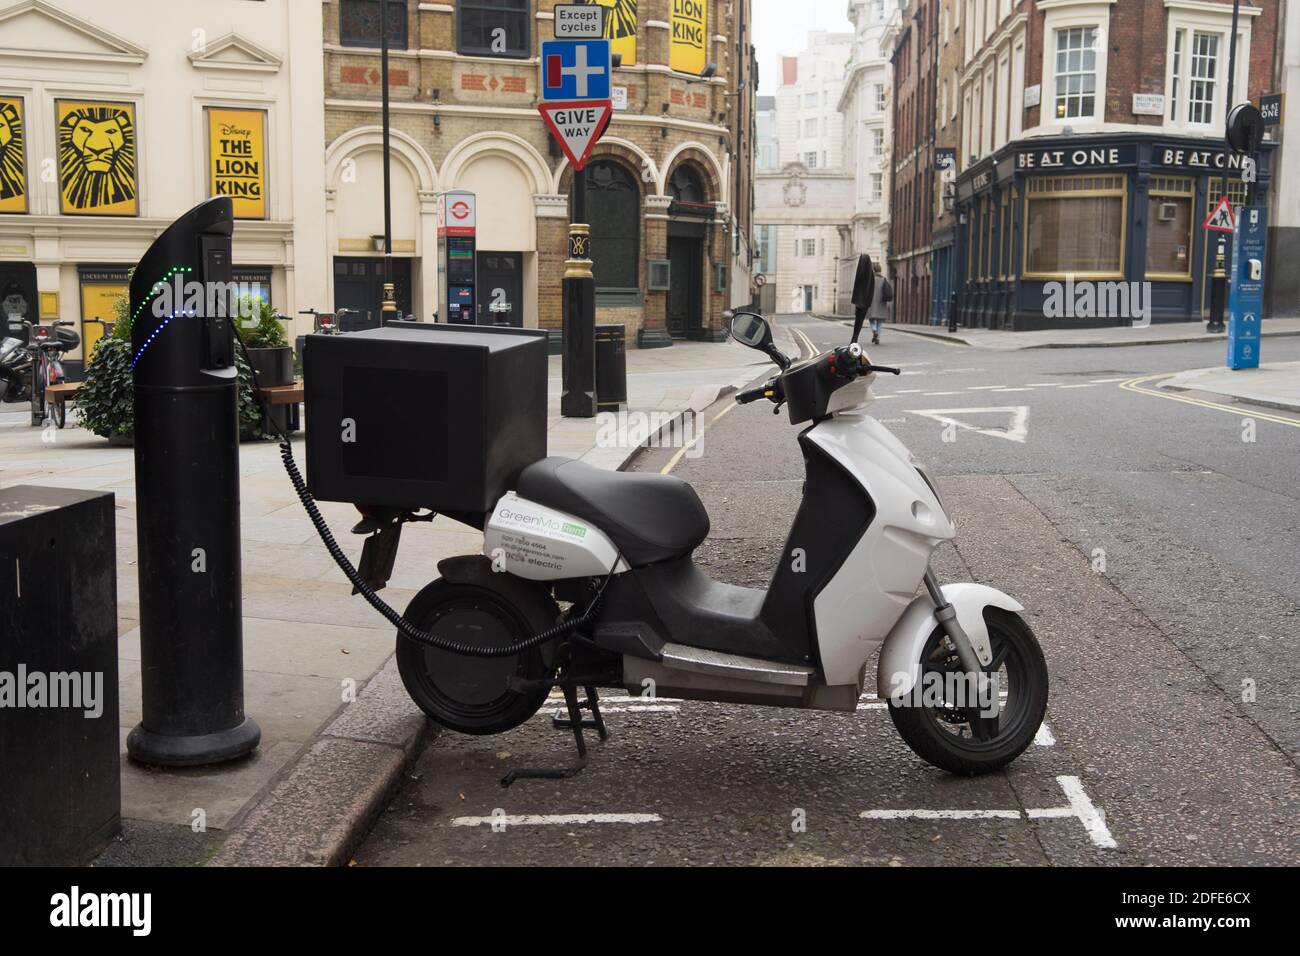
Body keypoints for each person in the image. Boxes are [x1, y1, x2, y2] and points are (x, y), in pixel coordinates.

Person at [867, 263, 893, 346]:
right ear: (880, 270)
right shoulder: (884, 280)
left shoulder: (870, 280)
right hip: (881, 302)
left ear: (873, 270)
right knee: (879, 321)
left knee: (871, 319)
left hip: (871, 302)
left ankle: (874, 330)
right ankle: (877, 337)